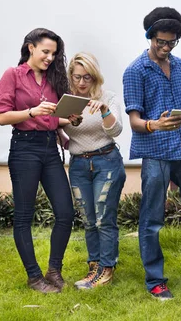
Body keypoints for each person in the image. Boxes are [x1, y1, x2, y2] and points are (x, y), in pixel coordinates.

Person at [123, 7, 181, 300]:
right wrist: (155, 124)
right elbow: (135, 122)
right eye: (160, 41)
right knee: (151, 219)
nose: (165, 47)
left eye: (171, 42)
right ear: (149, 37)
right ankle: (155, 280)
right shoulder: (135, 71)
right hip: (156, 152)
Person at [0, 28, 75, 293]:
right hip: (24, 149)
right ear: (31, 48)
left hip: (49, 148)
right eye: (45, 52)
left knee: (65, 212)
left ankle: (54, 270)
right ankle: (34, 277)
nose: (50, 58)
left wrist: (66, 122)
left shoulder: (52, 79)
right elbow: (2, 116)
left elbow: (50, 118)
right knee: (24, 216)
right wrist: (31, 111)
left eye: (54, 53)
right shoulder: (13, 75)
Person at [61, 52, 126, 290]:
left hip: (106, 161)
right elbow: (58, 131)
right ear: (71, 76)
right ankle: (94, 267)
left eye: (87, 77)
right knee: (89, 221)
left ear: (95, 77)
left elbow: (116, 130)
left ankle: (106, 269)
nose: (81, 83)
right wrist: (67, 140)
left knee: (103, 219)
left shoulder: (108, 98)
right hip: (78, 164)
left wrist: (104, 110)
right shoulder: (66, 101)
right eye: (77, 77)